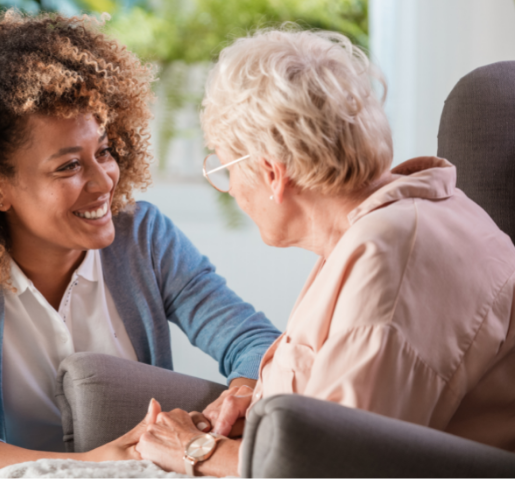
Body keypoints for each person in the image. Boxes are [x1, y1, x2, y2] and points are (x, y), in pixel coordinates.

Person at [0, 11, 280, 478]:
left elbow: (255, 341)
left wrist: (239, 394)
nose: (104, 181)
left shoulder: (144, 237)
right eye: (68, 167)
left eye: (105, 152)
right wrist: (86, 467)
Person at [134, 28, 515, 476]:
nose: (231, 189)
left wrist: (196, 450)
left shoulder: (389, 258)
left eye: (224, 167)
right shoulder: (395, 223)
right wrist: (261, 404)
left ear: (272, 173)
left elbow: (334, 464)